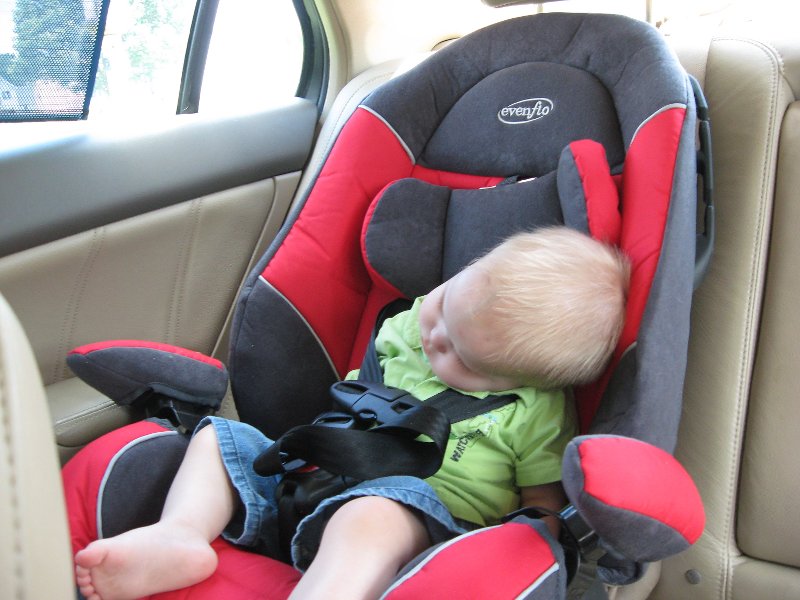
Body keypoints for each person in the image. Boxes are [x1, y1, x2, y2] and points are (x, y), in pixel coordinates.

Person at [74, 226, 630, 600]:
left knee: (373, 516)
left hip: (423, 514)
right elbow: (356, 396)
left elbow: (542, 505)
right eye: (444, 306)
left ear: (525, 382)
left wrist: (537, 533)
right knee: (219, 437)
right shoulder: (410, 323)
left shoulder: (535, 412)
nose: (434, 337)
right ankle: (181, 534)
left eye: (461, 355)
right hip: (318, 479)